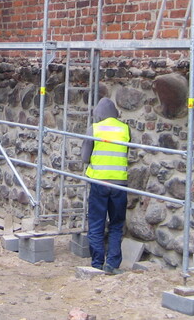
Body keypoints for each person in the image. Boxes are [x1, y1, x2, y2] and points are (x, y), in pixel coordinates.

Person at [82, 97, 130, 275]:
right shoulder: (125, 129)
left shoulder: (93, 129)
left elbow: (85, 158)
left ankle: (96, 263)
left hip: (99, 182)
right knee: (116, 224)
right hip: (120, 184)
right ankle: (112, 264)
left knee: (96, 222)